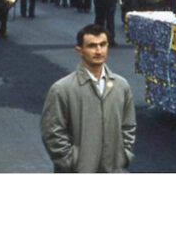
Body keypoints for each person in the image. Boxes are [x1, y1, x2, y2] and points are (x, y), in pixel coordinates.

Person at [40, 24, 136, 173]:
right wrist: (71, 161)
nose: (99, 51)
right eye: (92, 46)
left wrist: (124, 155)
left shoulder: (121, 86)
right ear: (79, 50)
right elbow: (52, 131)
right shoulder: (62, 89)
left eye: (103, 45)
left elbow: (128, 125)